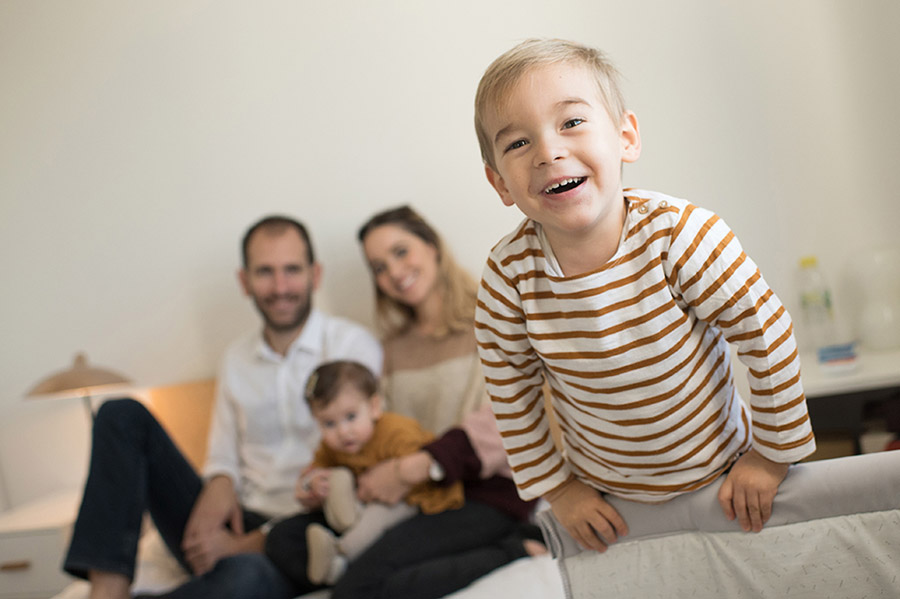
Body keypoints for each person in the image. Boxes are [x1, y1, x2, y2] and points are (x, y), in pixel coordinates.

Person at [472, 38, 817, 553]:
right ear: (501, 184)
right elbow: (510, 391)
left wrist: (771, 456)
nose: (549, 152)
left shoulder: (682, 236)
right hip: (612, 496)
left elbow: (764, 334)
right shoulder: (508, 279)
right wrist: (559, 489)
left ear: (626, 137)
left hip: (729, 468)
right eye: (518, 143)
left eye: (571, 123)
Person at [62, 215, 383, 599]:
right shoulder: (235, 359)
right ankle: (108, 590)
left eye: (292, 270)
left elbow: (361, 470)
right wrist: (218, 486)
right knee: (119, 413)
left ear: (315, 275)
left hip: (300, 534)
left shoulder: (353, 348)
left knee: (241, 578)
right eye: (265, 272)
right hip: (236, 515)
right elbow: (223, 456)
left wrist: (245, 544)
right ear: (244, 281)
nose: (280, 287)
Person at [266, 206, 543, 599]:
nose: (393, 273)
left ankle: (512, 549)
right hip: (411, 496)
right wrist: (324, 478)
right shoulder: (390, 351)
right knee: (283, 538)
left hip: (480, 493)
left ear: (432, 247)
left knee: (360, 588)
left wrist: (414, 467)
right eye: (378, 267)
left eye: (401, 252)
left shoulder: (495, 319)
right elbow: (373, 432)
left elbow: (516, 418)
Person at [297, 359, 463, 585]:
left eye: (351, 417)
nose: (343, 432)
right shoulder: (331, 446)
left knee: (377, 516)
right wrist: (314, 482)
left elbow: (421, 469)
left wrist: (395, 477)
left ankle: (339, 555)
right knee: (337, 477)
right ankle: (347, 515)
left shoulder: (396, 432)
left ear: (374, 407)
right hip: (366, 496)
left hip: (416, 498)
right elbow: (315, 468)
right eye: (329, 424)